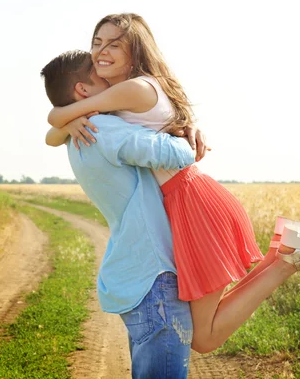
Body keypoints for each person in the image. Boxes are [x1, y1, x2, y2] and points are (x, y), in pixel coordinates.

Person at [45, 13, 300, 355]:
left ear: (136, 50)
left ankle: (285, 262)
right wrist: (71, 123)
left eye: (115, 43)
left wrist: (69, 120)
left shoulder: (133, 89)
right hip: (187, 199)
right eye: (97, 43)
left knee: (203, 338)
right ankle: (286, 257)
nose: (102, 51)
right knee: (202, 333)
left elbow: (55, 119)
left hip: (193, 202)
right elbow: (59, 127)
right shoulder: (132, 91)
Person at [41, 49, 204, 378]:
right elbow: (177, 155)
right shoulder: (102, 127)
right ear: (83, 92)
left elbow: (52, 133)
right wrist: (186, 133)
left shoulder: (80, 132)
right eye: (101, 76)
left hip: (137, 274)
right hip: (153, 277)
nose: (114, 80)